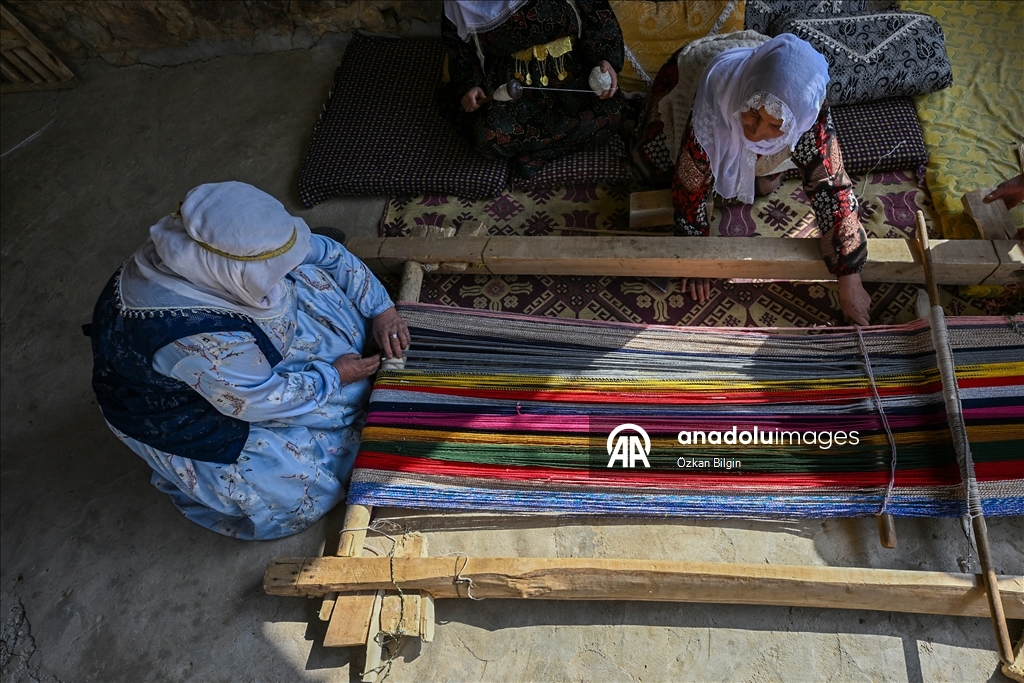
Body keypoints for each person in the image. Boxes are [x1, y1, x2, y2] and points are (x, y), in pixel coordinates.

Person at [88, 182, 409, 540]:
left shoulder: (226, 252)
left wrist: (382, 309)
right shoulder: (190, 334)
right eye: (270, 272)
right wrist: (333, 376)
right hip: (190, 409)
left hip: (229, 363)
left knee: (311, 280)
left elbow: (326, 253)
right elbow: (254, 401)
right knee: (296, 489)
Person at [633, 33, 872, 325]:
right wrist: (695, 254)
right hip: (695, 75)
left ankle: (745, 157)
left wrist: (850, 276)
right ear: (747, 96)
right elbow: (689, 182)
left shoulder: (807, 109)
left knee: (763, 185)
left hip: (763, 76)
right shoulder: (716, 95)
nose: (756, 132)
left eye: (775, 126)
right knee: (651, 166)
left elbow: (831, 187)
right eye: (753, 114)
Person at [442, 0, 628, 177]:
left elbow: (597, 12)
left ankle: (537, 155)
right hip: (511, 84)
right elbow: (458, 49)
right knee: (488, 138)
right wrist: (470, 85)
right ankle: (549, 146)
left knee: (615, 112)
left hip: (569, 74)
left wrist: (605, 59)